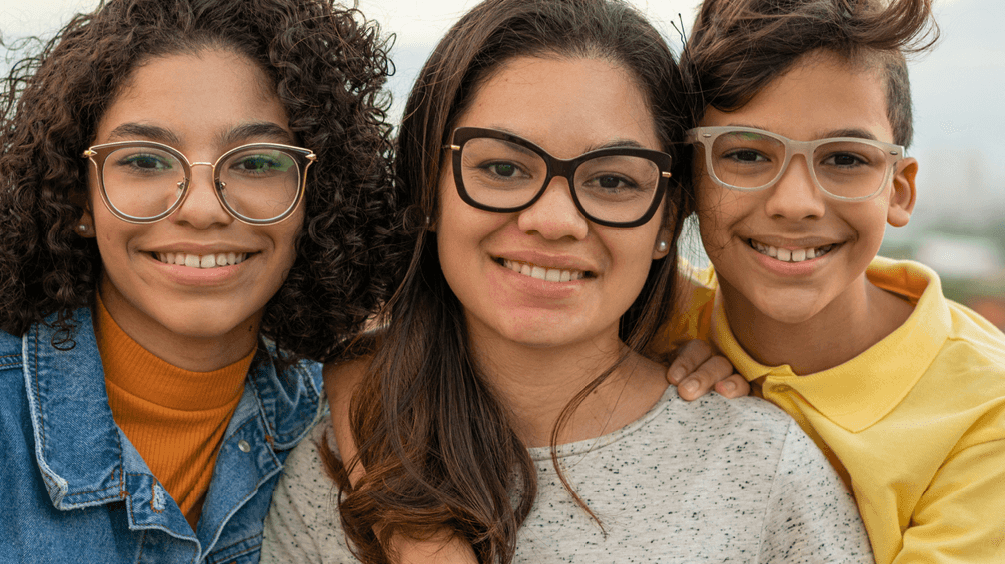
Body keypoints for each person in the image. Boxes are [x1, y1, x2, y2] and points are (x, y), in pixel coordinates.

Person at [0, 0, 404, 561]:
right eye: (145, 160)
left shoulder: (336, 427)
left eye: (258, 162)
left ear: (316, 198)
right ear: (79, 196)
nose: (204, 207)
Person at [260, 0, 871, 562]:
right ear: (429, 190)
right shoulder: (333, 469)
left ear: (667, 220)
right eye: (502, 167)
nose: (553, 221)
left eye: (612, 181)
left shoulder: (762, 468)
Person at [666, 0, 1005, 562]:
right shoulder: (645, 323)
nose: (796, 204)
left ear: (899, 189)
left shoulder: (991, 414)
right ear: (686, 179)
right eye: (748, 154)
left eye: (845, 159)